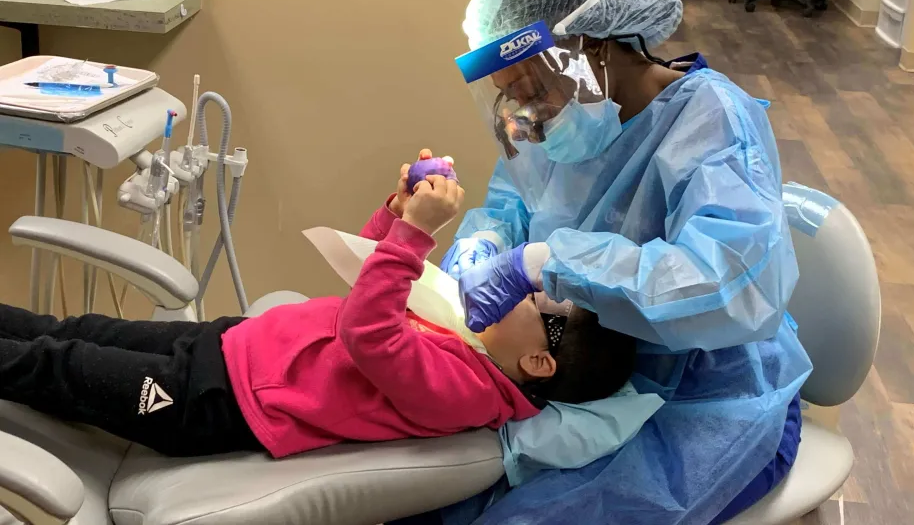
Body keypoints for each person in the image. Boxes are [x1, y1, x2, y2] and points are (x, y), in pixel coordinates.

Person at [427, 0, 813, 524]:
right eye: (511, 95)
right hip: (583, 376)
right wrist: (483, 245)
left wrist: (547, 265)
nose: (528, 115)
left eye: (533, 88)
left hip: (706, 393)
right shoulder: (562, 129)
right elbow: (511, 205)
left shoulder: (711, 122)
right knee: (432, 497)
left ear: (592, 47)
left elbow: (730, 286)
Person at [0, 151, 635, 459]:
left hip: (217, 402)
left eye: (540, 301)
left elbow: (369, 333)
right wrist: (395, 218)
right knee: (72, 329)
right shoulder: (471, 337)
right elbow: (374, 278)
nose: (518, 287)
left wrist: (417, 237)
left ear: (540, 362)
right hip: (229, 347)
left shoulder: (468, 392)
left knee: (58, 364)